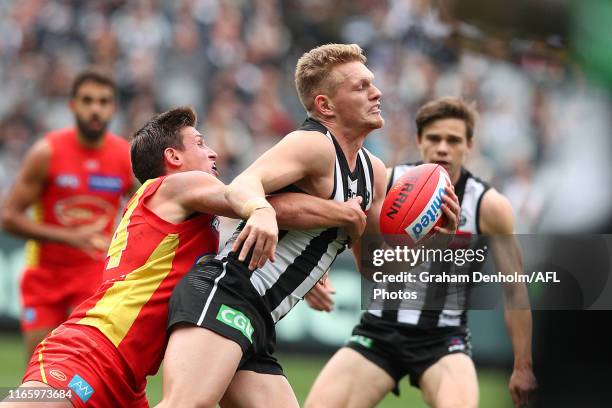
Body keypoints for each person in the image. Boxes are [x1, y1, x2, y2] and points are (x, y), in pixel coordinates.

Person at [0, 106, 367, 408]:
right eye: (200, 143)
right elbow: (244, 197)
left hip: (130, 382)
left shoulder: (183, 211)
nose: (213, 152)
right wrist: (265, 210)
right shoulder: (176, 184)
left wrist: (308, 267)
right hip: (89, 352)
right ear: (172, 157)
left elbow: (248, 227)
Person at [158, 44, 461, 408]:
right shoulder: (312, 144)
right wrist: (279, 213)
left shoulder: (374, 173)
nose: (376, 92)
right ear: (326, 106)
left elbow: (374, 269)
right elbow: (241, 186)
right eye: (360, 87)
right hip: (228, 291)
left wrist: (429, 241)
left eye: (373, 84)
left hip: (259, 317)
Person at [305, 97, 538, 408]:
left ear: (468, 145)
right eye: (434, 138)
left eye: (453, 140)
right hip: (379, 330)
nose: (442, 147)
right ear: (419, 141)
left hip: (443, 339)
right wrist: (316, 275)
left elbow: (515, 290)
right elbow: (341, 225)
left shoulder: (489, 205)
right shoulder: (384, 181)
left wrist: (523, 366)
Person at [0, 70, 134, 359]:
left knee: (82, 364)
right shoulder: (46, 152)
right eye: (87, 100)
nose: (95, 109)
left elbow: (145, 207)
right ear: (72, 105)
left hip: (92, 274)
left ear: (113, 108)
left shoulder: (124, 157)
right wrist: (69, 237)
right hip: (44, 275)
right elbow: (8, 217)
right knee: (39, 370)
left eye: (103, 101)